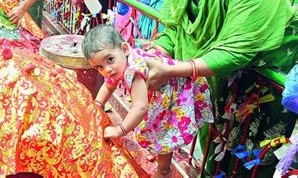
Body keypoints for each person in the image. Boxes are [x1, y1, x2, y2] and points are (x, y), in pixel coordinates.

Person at [146, 0, 296, 175]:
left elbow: (237, 50)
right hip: (213, 73)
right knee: (214, 147)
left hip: (261, 75)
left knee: (245, 159)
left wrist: (174, 70)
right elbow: (173, 26)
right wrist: (160, 50)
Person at [82, 24, 214, 177]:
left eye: (110, 60)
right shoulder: (118, 64)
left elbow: (140, 107)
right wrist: (97, 105)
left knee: (165, 131)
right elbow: (108, 85)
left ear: (124, 48)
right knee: (155, 127)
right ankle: (158, 151)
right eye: (99, 67)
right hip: (161, 95)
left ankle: (163, 171)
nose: (107, 70)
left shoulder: (134, 70)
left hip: (176, 96)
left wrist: (119, 130)